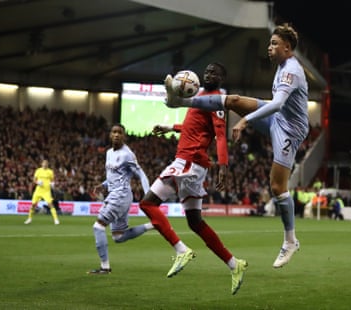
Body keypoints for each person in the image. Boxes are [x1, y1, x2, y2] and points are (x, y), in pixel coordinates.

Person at [164, 23, 308, 269]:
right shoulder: (282, 66)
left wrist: (244, 121)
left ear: (287, 47)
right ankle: (182, 101)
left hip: (289, 130)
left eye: (274, 44)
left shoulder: (290, 71)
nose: (269, 47)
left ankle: (290, 240)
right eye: (270, 43)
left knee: (277, 186)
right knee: (233, 100)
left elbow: (276, 104)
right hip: (278, 118)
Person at [139, 62, 248, 295]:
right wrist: (170, 126)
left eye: (215, 73)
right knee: (195, 222)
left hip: (189, 161)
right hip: (193, 163)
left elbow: (220, 136)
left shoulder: (217, 100)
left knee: (148, 203)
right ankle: (234, 264)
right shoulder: (201, 97)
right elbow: (193, 126)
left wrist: (223, 165)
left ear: (221, 79)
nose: (209, 74)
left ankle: (181, 250)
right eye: (207, 71)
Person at [88, 123, 153, 274]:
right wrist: (103, 184)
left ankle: (105, 268)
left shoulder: (127, 154)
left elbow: (141, 174)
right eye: (114, 132)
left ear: (124, 136)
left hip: (121, 195)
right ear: (110, 135)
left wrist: (148, 194)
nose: (116, 135)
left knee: (98, 226)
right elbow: (114, 176)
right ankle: (152, 225)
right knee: (118, 236)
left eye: (120, 133)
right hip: (116, 194)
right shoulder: (109, 152)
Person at [24, 159, 60, 225]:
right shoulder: (38, 170)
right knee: (33, 205)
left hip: (46, 191)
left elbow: (52, 180)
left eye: (46, 163)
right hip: (38, 191)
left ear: (48, 164)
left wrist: (52, 184)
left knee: (50, 204)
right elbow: (34, 180)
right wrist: (37, 182)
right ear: (42, 164)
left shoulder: (50, 172)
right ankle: (29, 218)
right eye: (44, 163)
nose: (45, 164)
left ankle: (56, 219)